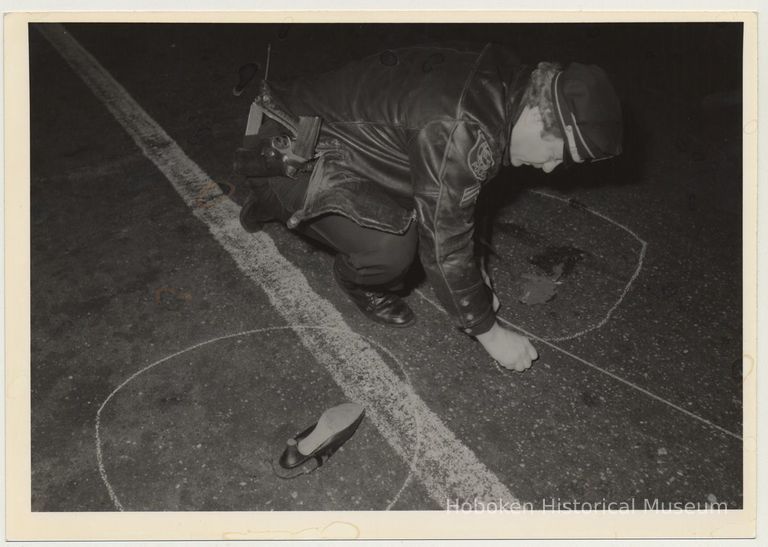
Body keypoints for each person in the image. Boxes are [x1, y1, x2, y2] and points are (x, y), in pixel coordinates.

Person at [234, 43, 622, 372]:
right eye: (555, 152)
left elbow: (468, 194)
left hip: (338, 144)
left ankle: (271, 202)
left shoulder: (507, 86)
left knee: (427, 205)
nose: (551, 167)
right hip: (287, 149)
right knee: (395, 246)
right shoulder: (463, 128)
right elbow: (445, 243)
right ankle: (339, 263)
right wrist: (489, 331)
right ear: (540, 114)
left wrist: (480, 277)